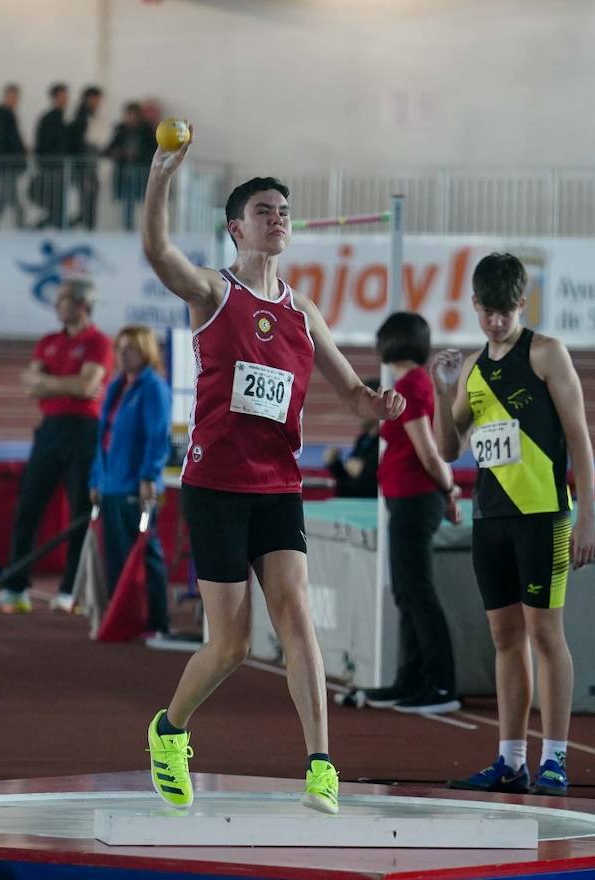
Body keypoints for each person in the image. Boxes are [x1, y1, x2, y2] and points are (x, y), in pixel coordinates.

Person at [139, 125, 405, 815]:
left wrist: (376, 403)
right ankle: (169, 730)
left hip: (277, 487)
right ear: (237, 228)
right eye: (265, 211)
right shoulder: (212, 293)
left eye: (285, 211)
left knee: (296, 620)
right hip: (215, 487)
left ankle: (321, 763)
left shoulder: (303, 310)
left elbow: (353, 397)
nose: (278, 219)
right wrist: (162, 174)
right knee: (229, 643)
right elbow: (157, 251)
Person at [432, 252, 595, 797]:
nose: (497, 322)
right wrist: (442, 389)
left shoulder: (547, 354)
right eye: (488, 312)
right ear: (475, 306)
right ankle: (510, 760)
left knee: (545, 634)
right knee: (505, 638)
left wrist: (587, 514)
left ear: (522, 305)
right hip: (491, 518)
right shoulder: (475, 372)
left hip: (544, 515)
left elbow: (579, 437)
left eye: (507, 312)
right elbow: (447, 447)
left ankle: (554, 758)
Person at [361, 312, 463, 714]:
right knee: (407, 591)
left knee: (417, 591)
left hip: (416, 499)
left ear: (388, 345)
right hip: (408, 499)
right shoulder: (409, 385)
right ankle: (410, 679)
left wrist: (450, 489)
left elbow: (427, 450)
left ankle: (440, 685)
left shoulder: (412, 386)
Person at [0, 277, 113, 614]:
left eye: (62, 299)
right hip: (49, 431)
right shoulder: (48, 341)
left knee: (79, 513)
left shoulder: (99, 343)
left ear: (81, 305)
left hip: (83, 432)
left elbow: (85, 386)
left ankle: (70, 592)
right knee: (28, 507)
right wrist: (67, 386)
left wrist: (49, 383)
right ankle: (16, 588)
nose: (56, 305)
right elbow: (31, 386)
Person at [88, 325, 172, 636]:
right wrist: (96, 480)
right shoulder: (116, 387)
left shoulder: (153, 388)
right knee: (116, 557)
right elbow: (103, 439)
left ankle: (157, 621)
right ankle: (122, 617)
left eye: (130, 349)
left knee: (146, 555)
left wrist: (149, 476)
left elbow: (157, 436)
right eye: (119, 349)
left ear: (146, 352)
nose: (122, 355)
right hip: (111, 486)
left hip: (135, 488)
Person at [322, 378, 379, 498]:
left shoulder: (384, 443)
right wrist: (335, 464)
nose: (354, 411)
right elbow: (348, 484)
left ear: (375, 409)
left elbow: (371, 488)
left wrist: (365, 471)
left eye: (359, 406)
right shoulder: (362, 440)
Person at [102, 102, 155, 229]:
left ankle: (144, 228)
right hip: (124, 171)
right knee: (126, 202)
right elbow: (109, 149)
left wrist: (139, 155)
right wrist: (119, 153)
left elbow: (153, 150)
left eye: (133, 115)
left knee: (142, 203)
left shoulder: (146, 130)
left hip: (140, 171)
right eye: (128, 115)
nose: (130, 118)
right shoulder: (121, 130)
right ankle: (127, 227)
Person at [0, 82, 28, 230]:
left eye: (16, 97)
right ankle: (21, 226)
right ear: (6, 96)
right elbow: (6, 139)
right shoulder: (1, 113)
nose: (15, 100)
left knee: (2, 199)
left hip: (7, 164)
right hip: (6, 165)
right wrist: (19, 152)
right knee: (11, 198)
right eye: (12, 96)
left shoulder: (7, 114)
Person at [32, 83, 71, 229]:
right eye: (62, 96)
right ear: (54, 98)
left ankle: (52, 227)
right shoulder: (49, 119)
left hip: (59, 168)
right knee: (54, 203)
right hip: (51, 168)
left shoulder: (63, 117)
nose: (66, 99)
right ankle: (43, 227)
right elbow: (43, 144)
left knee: (58, 204)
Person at [66, 86, 103, 229]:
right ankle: (87, 227)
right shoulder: (82, 118)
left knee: (88, 201)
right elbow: (83, 145)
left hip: (88, 165)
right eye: (96, 99)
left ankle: (85, 225)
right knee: (87, 201)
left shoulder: (87, 116)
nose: (98, 103)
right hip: (85, 167)